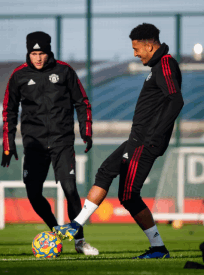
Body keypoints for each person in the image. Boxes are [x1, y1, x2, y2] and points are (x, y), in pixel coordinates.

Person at [53, 23, 184, 259]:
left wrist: (155, 136)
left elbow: (175, 100)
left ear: (149, 44)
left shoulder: (165, 64)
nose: (135, 53)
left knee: (128, 195)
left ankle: (158, 248)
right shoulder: (157, 66)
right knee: (104, 173)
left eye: (137, 48)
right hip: (136, 139)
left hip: (145, 142)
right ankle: (75, 226)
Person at [1, 31, 99, 256]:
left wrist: (86, 130)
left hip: (61, 141)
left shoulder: (65, 71)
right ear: (29, 53)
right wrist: (9, 142)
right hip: (33, 144)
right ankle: (56, 231)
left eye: (41, 53)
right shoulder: (18, 75)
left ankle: (80, 241)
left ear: (49, 52)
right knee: (33, 193)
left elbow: (82, 102)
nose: (37, 58)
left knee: (70, 189)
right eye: (34, 53)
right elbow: (9, 109)